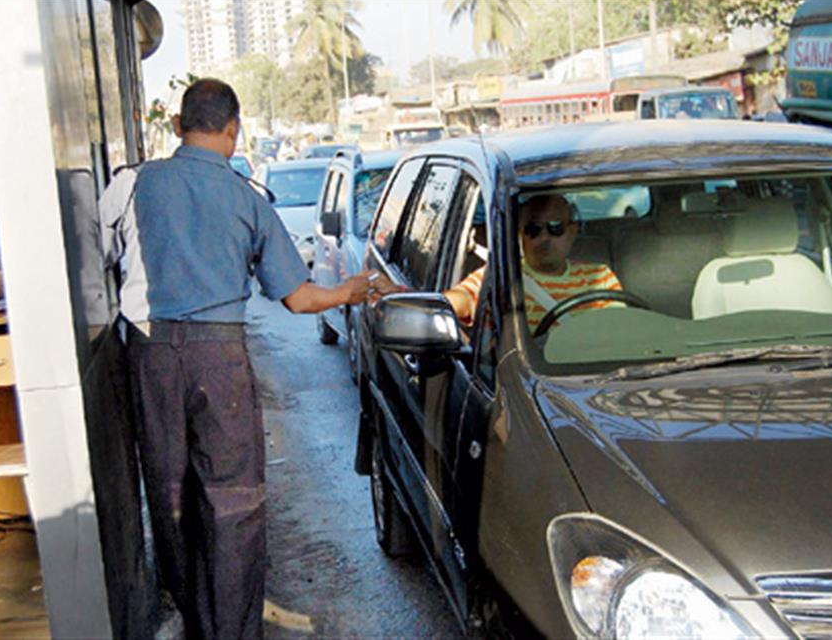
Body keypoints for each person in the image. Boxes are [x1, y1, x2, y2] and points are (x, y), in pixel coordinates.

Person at [116, 78, 396, 639]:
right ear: (233, 130)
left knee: (169, 495)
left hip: (150, 356)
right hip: (219, 357)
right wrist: (352, 290)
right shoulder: (247, 198)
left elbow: (96, 271)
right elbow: (298, 298)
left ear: (176, 126)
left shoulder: (129, 185)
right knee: (233, 502)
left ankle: (195, 621)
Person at [445, 194, 622, 332]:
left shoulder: (600, 277)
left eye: (555, 227)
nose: (544, 238)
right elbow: (463, 299)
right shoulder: (500, 276)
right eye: (533, 229)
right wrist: (437, 307)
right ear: (520, 236)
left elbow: (622, 329)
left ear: (572, 231)